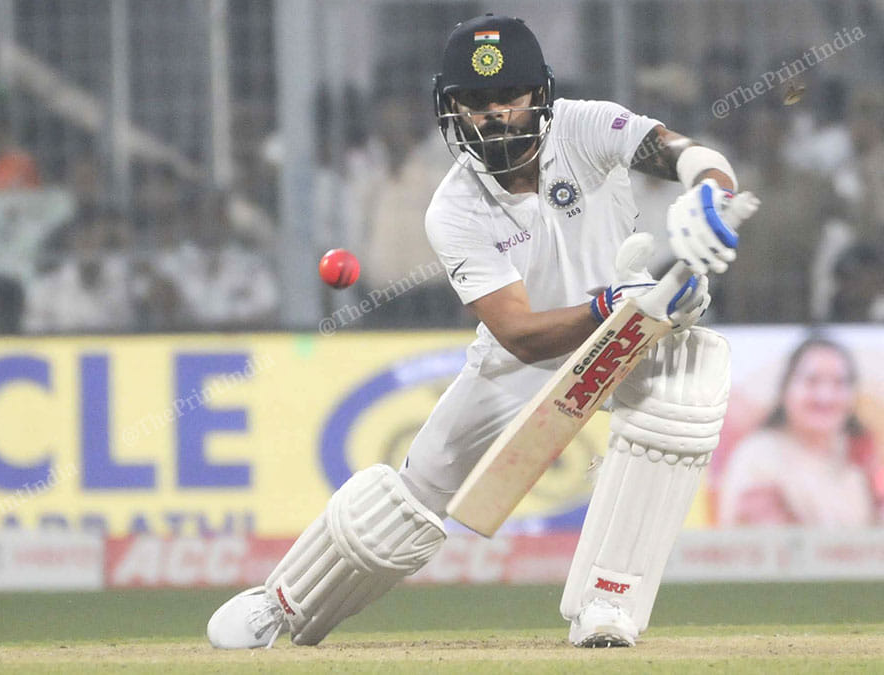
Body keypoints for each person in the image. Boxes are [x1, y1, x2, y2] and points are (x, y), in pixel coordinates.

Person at [206, 14, 759, 650]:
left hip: (630, 335)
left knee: (682, 399)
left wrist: (710, 194)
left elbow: (685, 152)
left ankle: (609, 605)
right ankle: (285, 603)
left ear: (540, 96)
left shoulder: (585, 125)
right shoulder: (454, 208)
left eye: (509, 97)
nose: (494, 115)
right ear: (452, 109)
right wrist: (613, 301)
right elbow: (520, 334)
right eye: (475, 102)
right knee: (413, 495)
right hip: (522, 361)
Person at [718, 337, 883, 527]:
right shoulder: (760, 456)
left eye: (839, 383)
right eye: (812, 381)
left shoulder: (858, 458)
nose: (825, 396)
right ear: (786, 389)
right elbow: (768, 542)